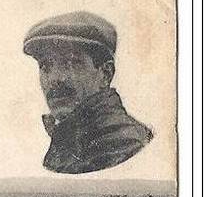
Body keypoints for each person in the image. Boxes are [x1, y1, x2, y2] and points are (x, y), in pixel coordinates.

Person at [23, 11, 152, 174]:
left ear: (105, 74)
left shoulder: (122, 143)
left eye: (71, 63)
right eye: (45, 66)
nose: (55, 79)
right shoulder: (68, 141)